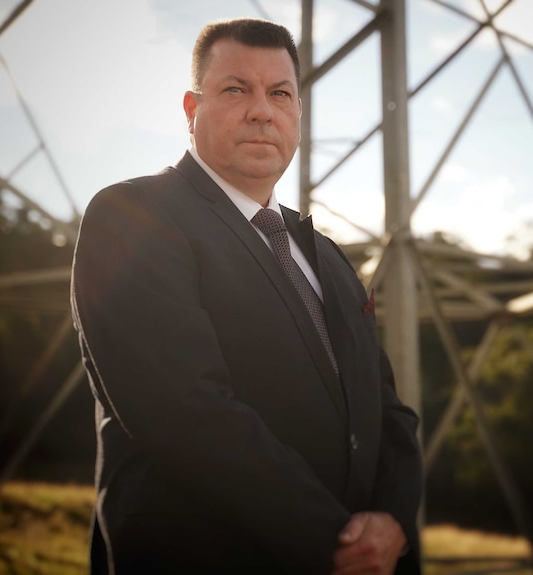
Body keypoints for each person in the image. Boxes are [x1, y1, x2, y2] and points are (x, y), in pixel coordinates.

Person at [70, 17, 422, 575]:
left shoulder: (327, 256)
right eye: (236, 89)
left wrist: (396, 522)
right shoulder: (133, 217)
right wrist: (338, 540)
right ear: (191, 109)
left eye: (280, 93)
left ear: (298, 116)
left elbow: (388, 411)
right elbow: (185, 414)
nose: (262, 110)